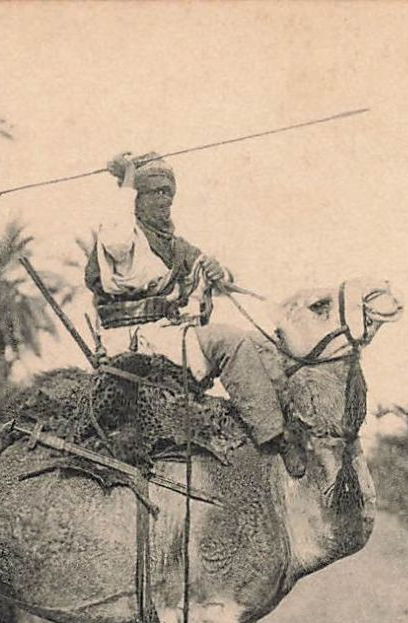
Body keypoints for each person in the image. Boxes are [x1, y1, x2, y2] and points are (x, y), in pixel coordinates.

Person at [85, 152, 308, 477]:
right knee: (230, 341)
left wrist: (219, 270)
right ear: (136, 198)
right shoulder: (120, 234)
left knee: (260, 343)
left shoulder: (173, 245)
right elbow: (118, 239)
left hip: (169, 334)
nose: (165, 201)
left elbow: (208, 267)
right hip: (135, 339)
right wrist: (127, 181)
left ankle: (293, 425)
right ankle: (273, 437)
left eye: (168, 193)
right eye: (156, 192)